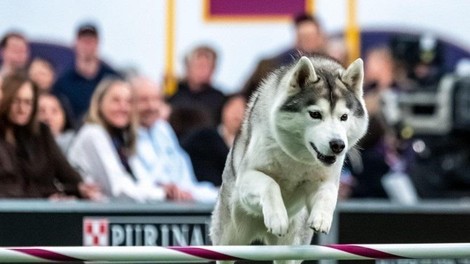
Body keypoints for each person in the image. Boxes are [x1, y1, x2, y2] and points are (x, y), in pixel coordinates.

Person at [0, 73, 101, 199]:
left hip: (42, 212)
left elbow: (69, 176)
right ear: (5, 99)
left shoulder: (42, 133)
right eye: (16, 101)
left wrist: (79, 189)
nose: (22, 109)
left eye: (28, 102)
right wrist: (46, 195)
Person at [67, 77, 166, 202]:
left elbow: (139, 179)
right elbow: (119, 190)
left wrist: (161, 188)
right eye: (116, 100)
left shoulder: (121, 138)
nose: (123, 107)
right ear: (99, 104)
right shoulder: (93, 133)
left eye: (128, 102)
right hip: (87, 215)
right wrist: (162, 194)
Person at [131, 76, 219, 202]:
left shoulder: (163, 129)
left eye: (156, 99)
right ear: (131, 103)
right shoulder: (126, 135)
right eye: (144, 100)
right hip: (149, 206)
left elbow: (186, 180)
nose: (151, 106)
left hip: (182, 201)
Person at [241, 13, 326, 99]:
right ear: (296, 38)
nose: (306, 42)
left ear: (320, 38)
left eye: (310, 37)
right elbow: (242, 97)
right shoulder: (268, 66)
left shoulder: (333, 69)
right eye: (302, 37)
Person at [52, 23, 120, 125]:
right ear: (75, 43)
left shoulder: (113, 79)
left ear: (98, 43)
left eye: (91, 41)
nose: (87, 45)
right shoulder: (62, 83)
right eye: (84, 41)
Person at [181, 94, 246, 186]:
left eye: (242, 109)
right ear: (223, 108)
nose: (236, 113)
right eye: (232, 107)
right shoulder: (204, 137)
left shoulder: (251, 147)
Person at [167, 45, 226, 140]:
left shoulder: (220, 99)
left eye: (207, 66)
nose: (202, 71)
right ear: (188, 67)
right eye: (199, 65)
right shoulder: (174, 95)